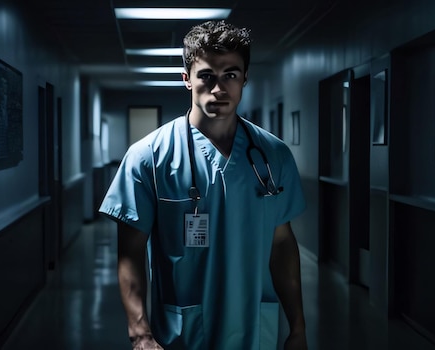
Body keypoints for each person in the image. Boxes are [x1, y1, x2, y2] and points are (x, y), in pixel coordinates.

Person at [99, 20, 308, 350]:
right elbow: (131, 253)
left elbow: (282, 244)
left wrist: (298, 326)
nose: (219, 88)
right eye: (207, 76)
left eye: (231, 75)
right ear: (186, 79)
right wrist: (140, 333)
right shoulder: (148, 158)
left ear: (244, 79)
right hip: (184, 331)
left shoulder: (274, 156)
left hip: (255, 328)